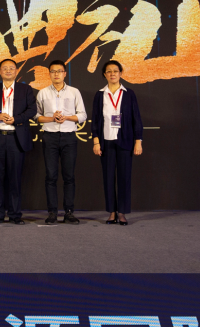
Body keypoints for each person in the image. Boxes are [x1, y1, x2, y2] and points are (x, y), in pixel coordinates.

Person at [0, 58, 36, 224]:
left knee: (15, 179)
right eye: (4, 68)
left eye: (11, 68)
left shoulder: (25, 89)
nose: (8, 71)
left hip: (16, 138)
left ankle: (15, 215)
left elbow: (32, 110)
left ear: (16, 71)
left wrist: (16, 119)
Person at [90, 60, 143, 225]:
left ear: (120, 73)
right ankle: (111, 212)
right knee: (108, 178)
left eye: (115, 71)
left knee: (124, 177)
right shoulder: (100, 94)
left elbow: (136, 119)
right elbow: (95, 120)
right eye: (109, 71)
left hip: (125, 141)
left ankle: (122, 213)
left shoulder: (129, 94)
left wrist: (138, 141)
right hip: (106, 142)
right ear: (104, 74)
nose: (112, 74)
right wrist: (96, 142)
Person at [34, 59, 87, 224]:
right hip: (49, 136)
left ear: (65, 73)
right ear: (49, 74)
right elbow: (36, 116)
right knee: (51, 176)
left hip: (69, 136)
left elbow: (83, 115)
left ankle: (69, 212)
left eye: (59, 71)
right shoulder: (42, 93)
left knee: (69, 176)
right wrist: (52, 118)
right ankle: (52, 212)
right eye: (53, 71)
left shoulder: (74, 92)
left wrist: (67, 117)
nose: (56, 74)